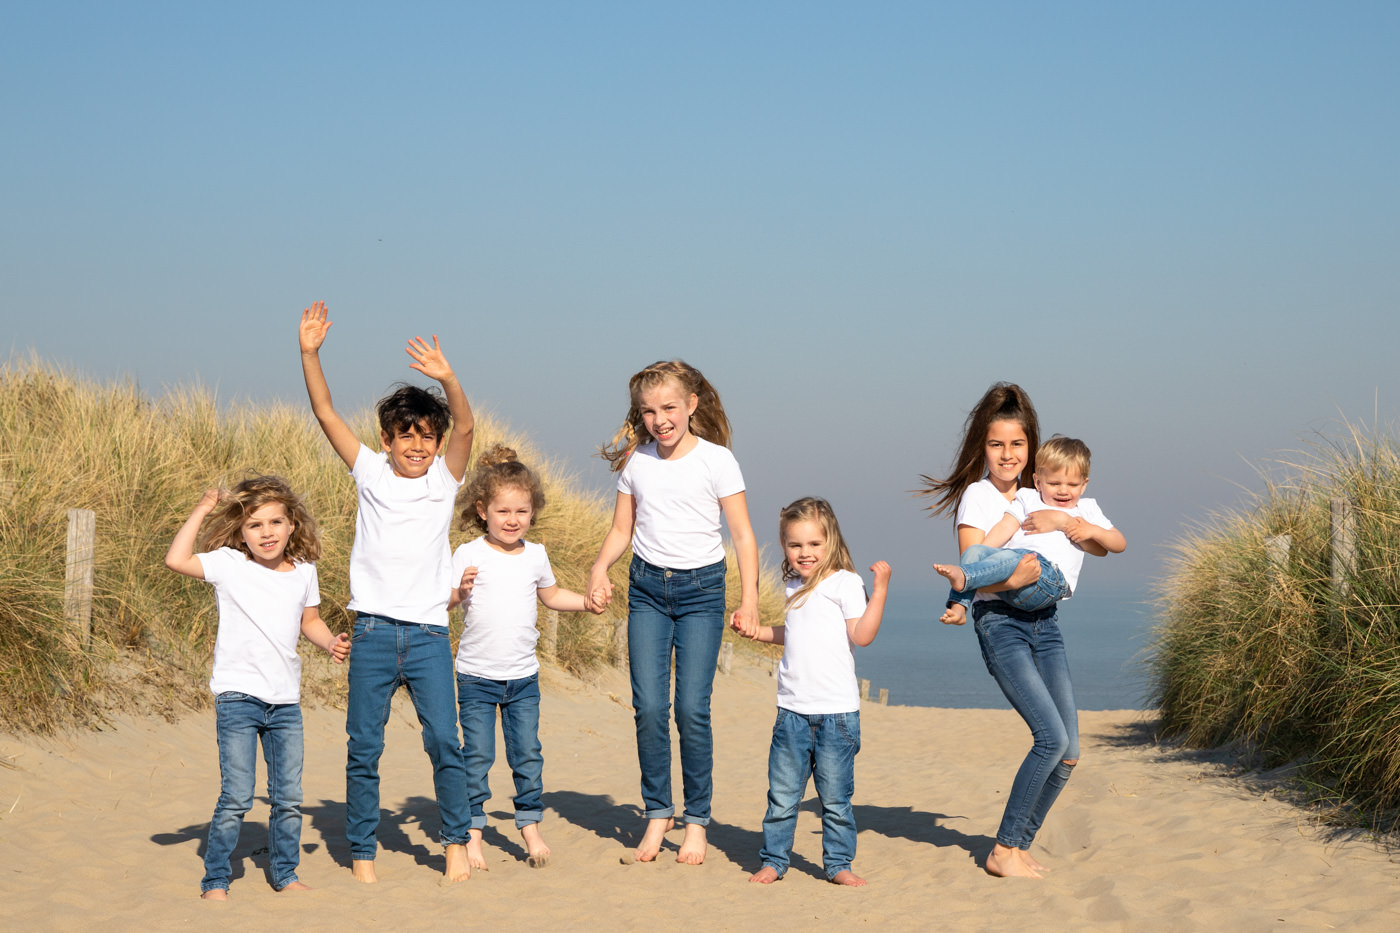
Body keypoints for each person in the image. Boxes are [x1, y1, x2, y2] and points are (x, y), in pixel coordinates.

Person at [298, 300, 474, 884]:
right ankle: (364, 855)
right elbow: (324, 413)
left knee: (446, 743)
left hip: (427, 634)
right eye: (407, 436)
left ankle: (453, 842)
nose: (418, 446)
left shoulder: (445, 482)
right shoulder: (371, 472)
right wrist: (310, 352)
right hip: (372, 630)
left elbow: (467, 427)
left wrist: (447, 378)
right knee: (363, 750)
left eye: (427, 436)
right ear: (387, 439)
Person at [920, 383, 1118, 879]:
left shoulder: (1047, 492)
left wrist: (1068, 522)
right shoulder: (979, 497)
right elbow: (977, 558)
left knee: (1069, 752)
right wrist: (1011, 579)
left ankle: (1019, 843)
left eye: (1016, 444)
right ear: (981, 448)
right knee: (1049, 738)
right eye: (995, 444)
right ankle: (1003, 848)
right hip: (1003, 625)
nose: (1006, 454)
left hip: (1046, 622)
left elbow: (1097, 546)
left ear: (1032, 449)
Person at [587, 360, 760, 865]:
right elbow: (622, 530)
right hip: (646, 590)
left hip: (703, 593)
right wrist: (600, 570)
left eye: (669, 408)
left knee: (690, 710)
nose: (660, 419)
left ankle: (697, 822)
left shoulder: (718, 461)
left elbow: (744, 535)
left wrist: (748, 599)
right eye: (648, 411)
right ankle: (658, 813)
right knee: (648, 708)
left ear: (691, 406)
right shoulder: (636, 463)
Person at [164, 477, 351, 900]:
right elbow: (177, 559)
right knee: (237, 796)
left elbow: (310, 622)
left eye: (275, 522)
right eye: (255, 525)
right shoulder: (230, 564)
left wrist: (330, 643)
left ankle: (285, 874)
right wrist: (202, 508)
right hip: (237, 697)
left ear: (292, 526)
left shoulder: (304, 572)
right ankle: (215, 880)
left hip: (285, 702)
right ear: (241, 532)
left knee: (288, 798)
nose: (266, 532)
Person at [448, 445, 599, 871]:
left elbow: (550, 596)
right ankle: (473, 831)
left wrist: (587, 603)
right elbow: (445, 603)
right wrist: (459, 591)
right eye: (503, 512)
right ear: (482, 511)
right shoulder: (469, 554)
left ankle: (529, 825)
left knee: (527, 755)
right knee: (475, 757)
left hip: (523, 679)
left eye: (522, 511)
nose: (513, 520)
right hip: (476, 677)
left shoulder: (536, 555)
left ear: (533, 513)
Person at [739, 498, 889, 887]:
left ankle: (838, 864)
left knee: (836, 802)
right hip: (791, 711)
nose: (804, 553)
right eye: (795, 545)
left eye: (813, 544)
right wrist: (759, 632)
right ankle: (774, 860)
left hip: (837, 715)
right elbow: (795, 636)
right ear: (785, 546)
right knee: (782, 797)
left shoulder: (845, 583)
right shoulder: (793, 585)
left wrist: (881, 592)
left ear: (831, 541)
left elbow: (862, 636)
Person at [933, 436, 1125, 624]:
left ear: (1084, 485)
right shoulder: (1027, 498)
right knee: (975, 551)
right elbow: (1006, 526)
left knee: (1015, 557)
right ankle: (958, 607)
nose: (1063, 490)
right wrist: (982, 557)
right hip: (1017, 584)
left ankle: (966, 576)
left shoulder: (1086, 509)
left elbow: (1119, 544)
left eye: (1072, 485)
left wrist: (1093, 531)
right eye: (1054, 483)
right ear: (1037, 481)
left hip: (1048, 580)